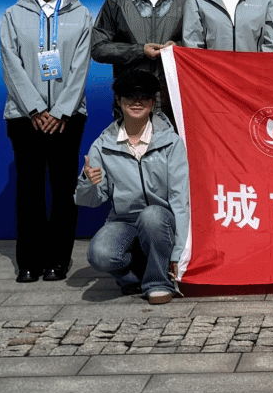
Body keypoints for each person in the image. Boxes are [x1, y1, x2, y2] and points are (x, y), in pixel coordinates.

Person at [0, 0, 94, 283]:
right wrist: (36, 108)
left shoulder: (82, 14)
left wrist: (61, 110)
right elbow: (11, 64)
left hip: (68, 118)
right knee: (29, 191)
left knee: (65, 189)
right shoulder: (13, 15)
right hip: (25, 117)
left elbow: (81, 66)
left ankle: (58, 259)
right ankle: (30, 260)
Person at [75, 68, 190, 305]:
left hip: (161, 219)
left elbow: (180, 200)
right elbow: (89, 201)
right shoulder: (103, 144)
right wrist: (88, 182)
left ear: (152, 102)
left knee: (152, 216)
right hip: (124, 220)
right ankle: (134, 279)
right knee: (100, 255)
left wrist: (180, 253)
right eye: (130, 96)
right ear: (119, 101)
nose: (137, 102)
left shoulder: (171, 142)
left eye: (144, 97)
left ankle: (158, 283)